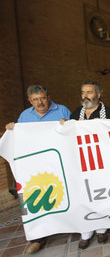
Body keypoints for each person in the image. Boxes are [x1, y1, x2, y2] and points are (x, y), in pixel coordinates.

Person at [5, 85, 70, 254]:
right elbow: (20, 139)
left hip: (58, 162)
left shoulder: (62, 110)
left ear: (48, 96)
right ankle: (36, 238)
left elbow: (73, 133)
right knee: (30, 199)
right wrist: (13, 129)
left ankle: (71, 225)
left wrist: (68, 125)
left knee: (64, 195)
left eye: (42, 98)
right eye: (35, 99)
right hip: (34, 166)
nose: (40, 102)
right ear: (30, 101)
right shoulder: (24, 116)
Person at [65, 81, 110, 249]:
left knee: (101, 195)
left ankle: (101, 229)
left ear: (98, 95)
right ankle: (85, 232)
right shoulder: (75, 114)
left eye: (89, 92)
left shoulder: (108, 113)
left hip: (102, 163)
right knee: (83, 197)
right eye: (83, 92)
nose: (85, 96)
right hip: (80, 164)